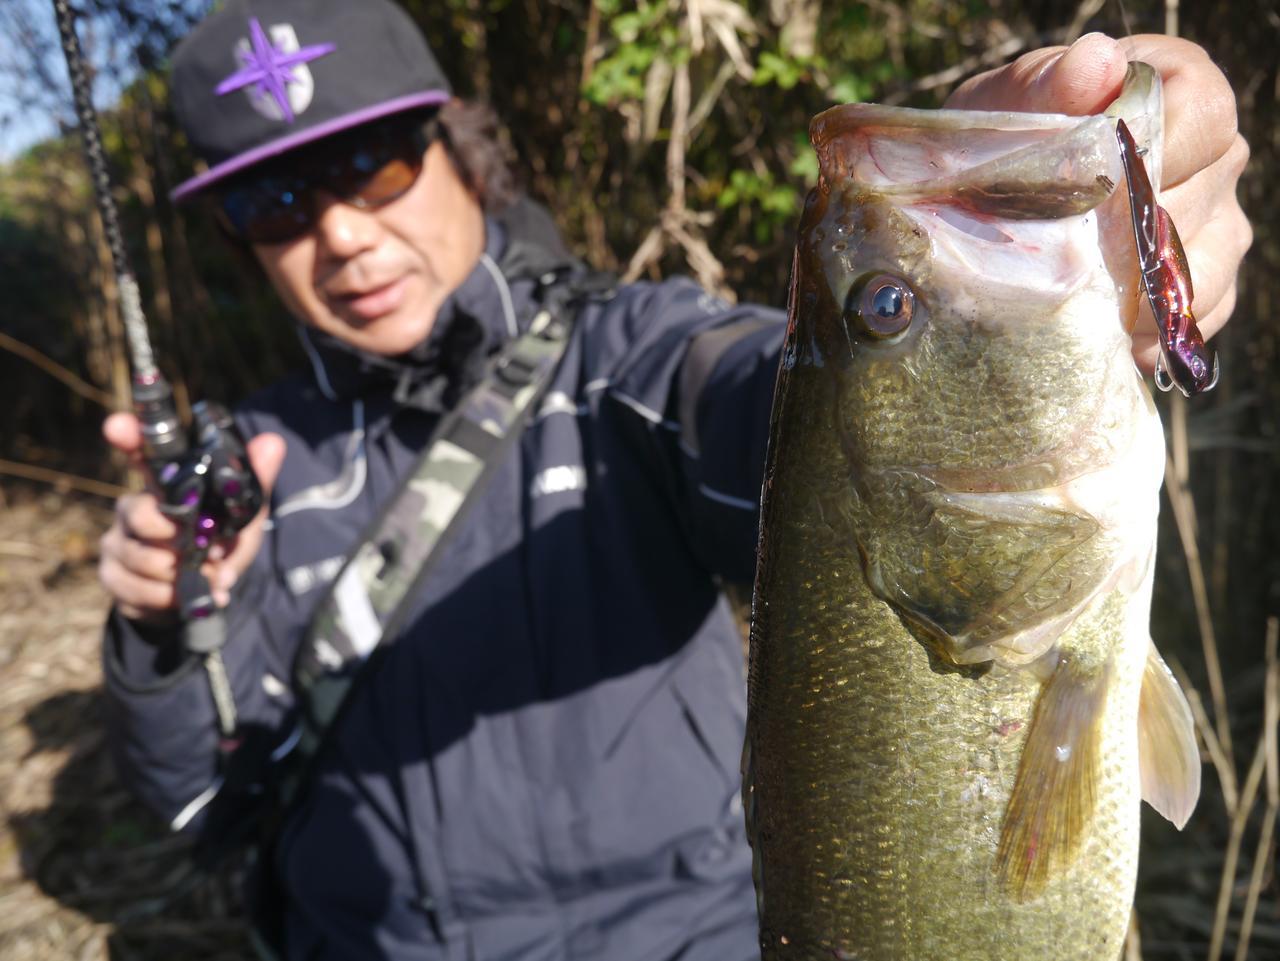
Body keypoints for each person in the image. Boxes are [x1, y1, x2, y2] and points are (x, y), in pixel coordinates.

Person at [97, 1, 1251, 958]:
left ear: (460, 150)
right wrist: (160, 629)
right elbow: (203, 800)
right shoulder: (247, 471)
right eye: (275, 199)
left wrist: (1073, 263)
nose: (340, 232)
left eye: (373, 162)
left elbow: (785, 425)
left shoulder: (637, 359)